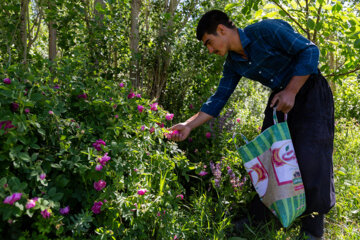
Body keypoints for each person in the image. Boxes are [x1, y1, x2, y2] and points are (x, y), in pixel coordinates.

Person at [169, 10, 335, 240]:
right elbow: (218, 98)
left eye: (209, 42)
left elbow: (310, 50)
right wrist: (187, 125)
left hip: (309, 90)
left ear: (221, 30)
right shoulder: (234, 63)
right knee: (270, 157)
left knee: (312, 157)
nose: (210, 50)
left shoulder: (267, 30)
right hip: (281, 98)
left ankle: (313, 229)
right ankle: (263, 217)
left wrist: (292, 90)